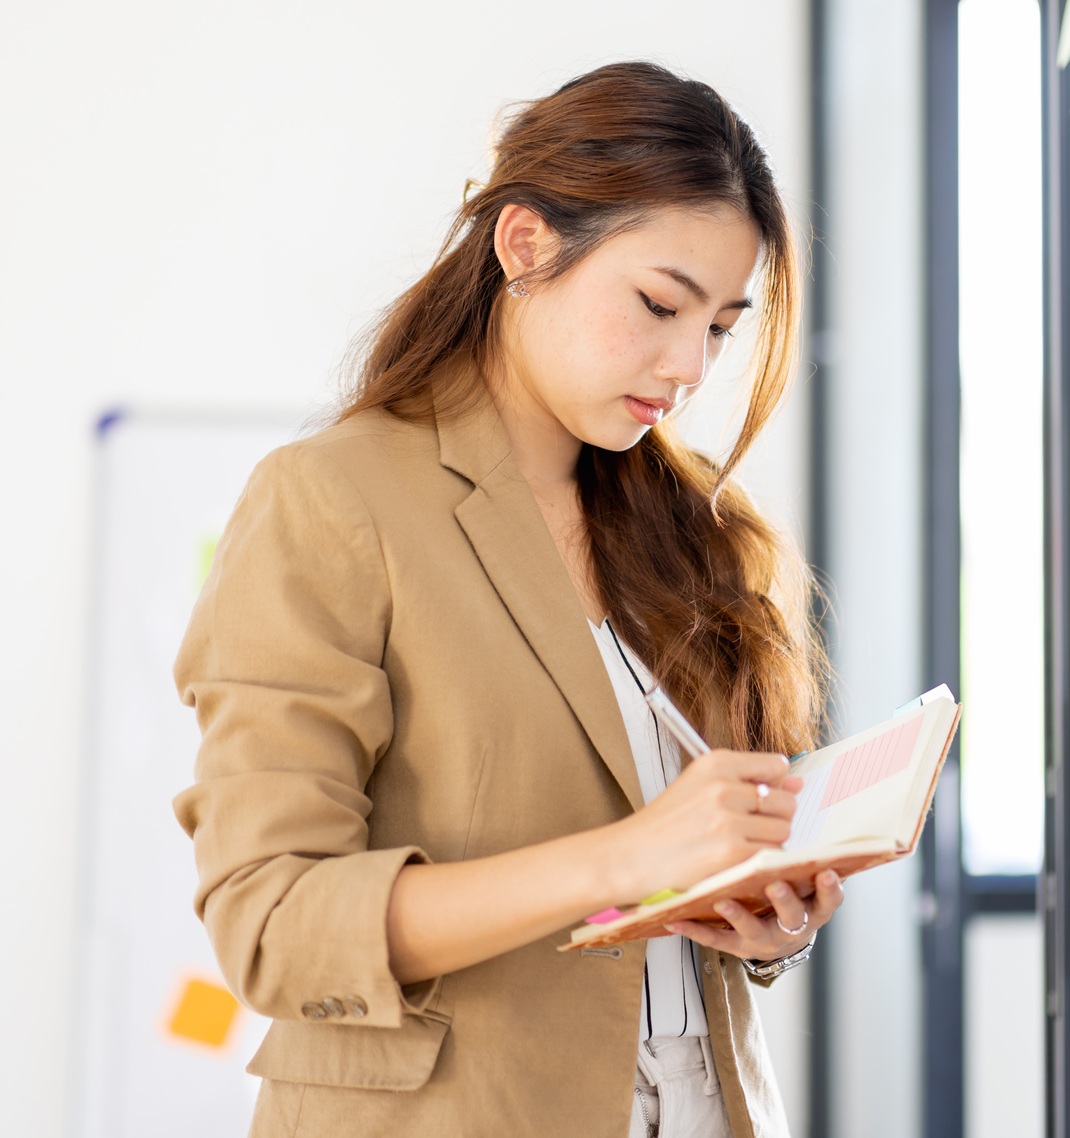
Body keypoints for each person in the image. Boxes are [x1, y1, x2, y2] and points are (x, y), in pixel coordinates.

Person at [172, 61, 837, 1138]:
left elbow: (672, 896)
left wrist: (763, 918)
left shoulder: (690, 535)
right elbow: (274, 923)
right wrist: (626, 859)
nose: (686, 365)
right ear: (524, 247)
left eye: (718, 326)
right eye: (660, 304)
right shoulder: (335, 502)